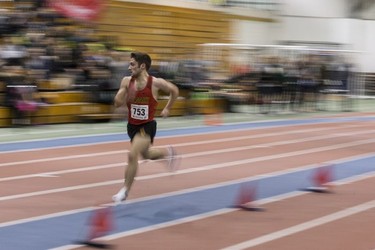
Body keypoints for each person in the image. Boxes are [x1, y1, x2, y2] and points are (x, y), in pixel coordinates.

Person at [112, 51, 180, 204]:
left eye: (132, 64)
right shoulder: (126, 81)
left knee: (132, 154)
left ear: (142, 66)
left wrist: (168, 108)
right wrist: (121, 96)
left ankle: (124, 190)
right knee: (147, 154)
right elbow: (116, 103)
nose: (129, 68)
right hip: (132, 126)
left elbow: (174, 90)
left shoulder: (155, 83)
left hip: (147, 125)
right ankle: (167, 153)